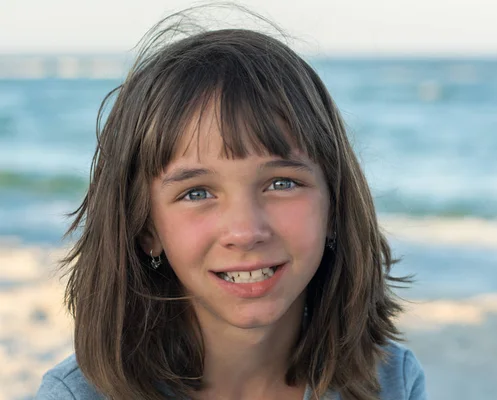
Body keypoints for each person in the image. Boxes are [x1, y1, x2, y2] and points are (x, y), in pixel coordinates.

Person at [36, 7, 426, 400]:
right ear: (146, 228)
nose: (245, 231)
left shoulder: (390, 382)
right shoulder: (76, 395)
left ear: (335, 206)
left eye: (282, 183)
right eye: (197, 193)